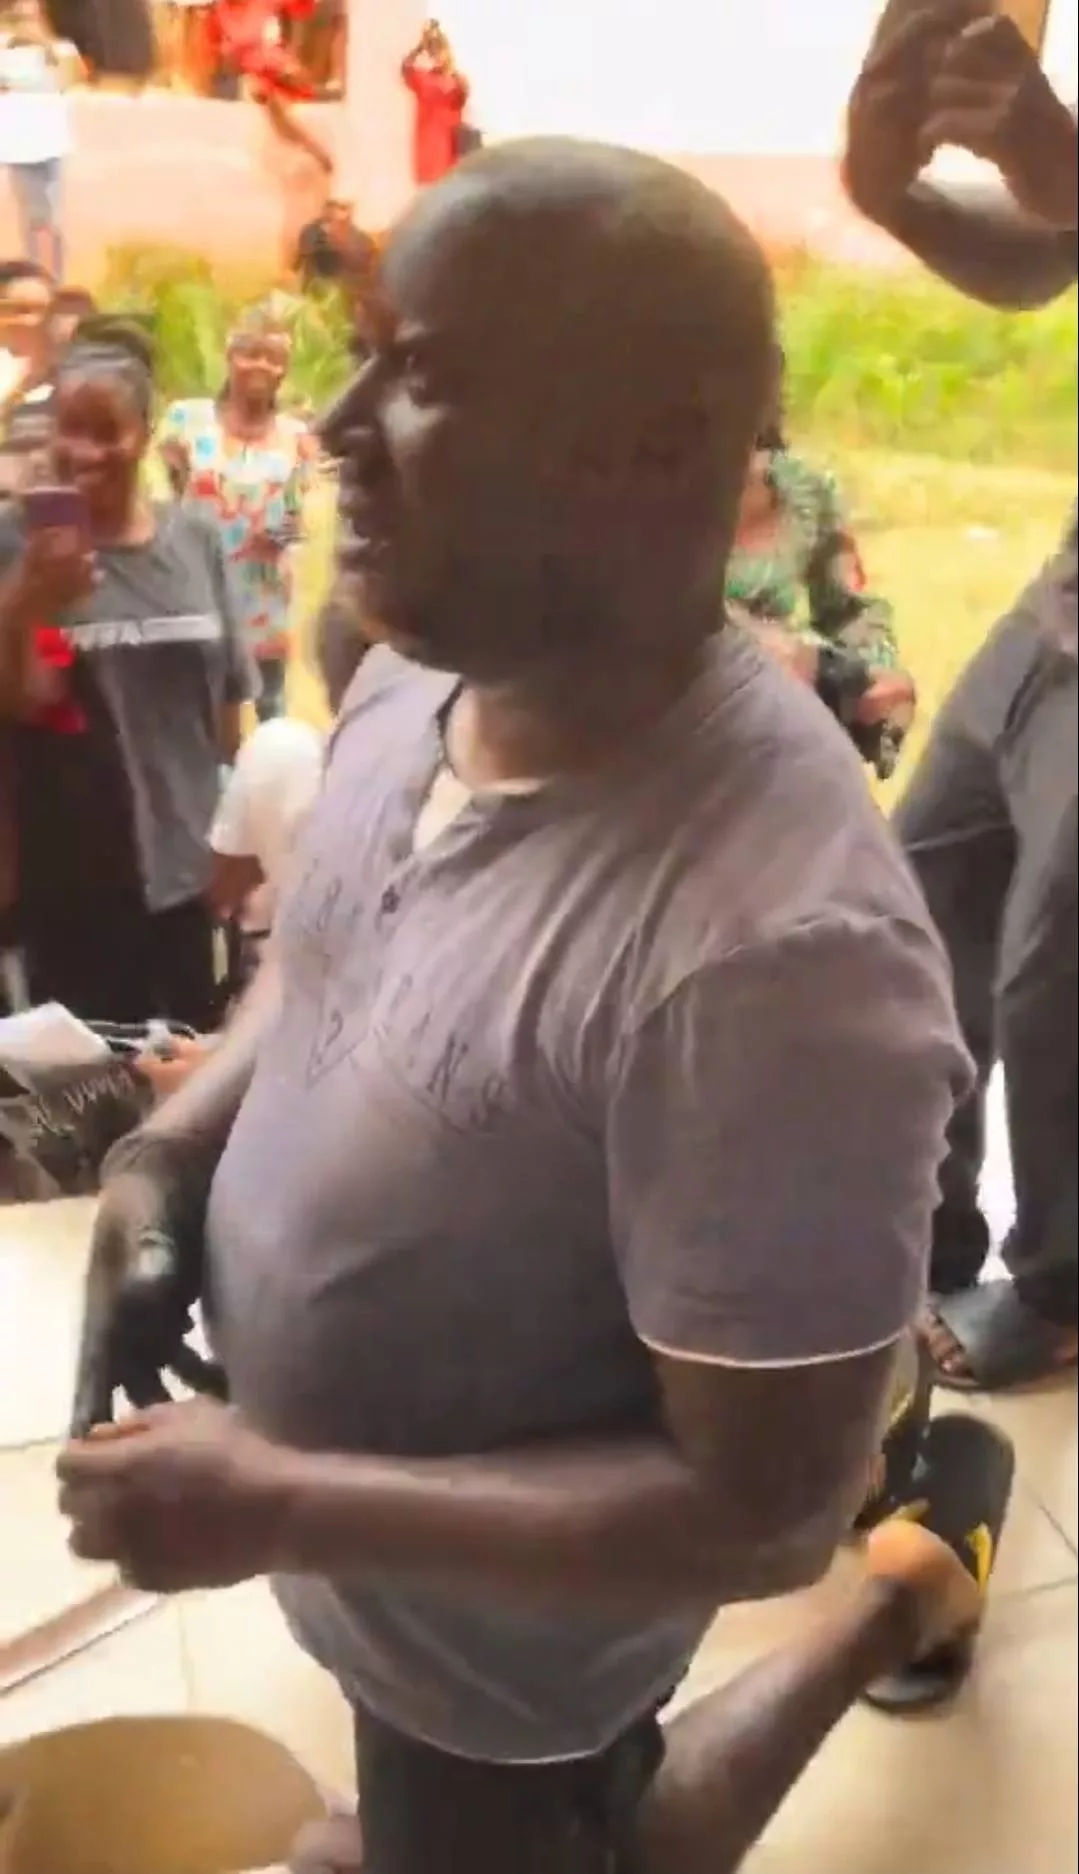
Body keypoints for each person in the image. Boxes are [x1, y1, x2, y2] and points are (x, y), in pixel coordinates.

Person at [59, 143, 1014, 1874]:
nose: (337, 424)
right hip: (371, 1562)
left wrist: (278, 1491)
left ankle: (900, 1587)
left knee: (578, 1833)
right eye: (361, 355)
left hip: (510, 1652)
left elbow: (759, 1507)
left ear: (657, 442)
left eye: (419, 375)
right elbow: (332, 953)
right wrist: (168, 1159)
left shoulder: (773, 954)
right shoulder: (420, 673)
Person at [845, 0, 1078, 1389]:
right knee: (917, 891)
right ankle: (922, 1230)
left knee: (1057, 955)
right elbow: (1045, 250)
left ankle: (1058, 1287)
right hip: (1058, 605)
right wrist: (898, 195)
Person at [0, 320, 254, 1026]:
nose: (85, 451)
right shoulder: (16, 544)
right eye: (69, 429)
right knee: (83, 1075)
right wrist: (28, 601)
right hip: (69, 887)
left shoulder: (196, 540)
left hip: (193, 877)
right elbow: (31, 701)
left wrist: (240, 837)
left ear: (144, 433)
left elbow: (228, 713)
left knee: (191, 1061)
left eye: (106, 430)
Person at [728, 381, 915, 778]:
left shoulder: (805, 492)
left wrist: (879, 676)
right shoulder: (625, 500)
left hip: (781, 747)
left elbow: (848, 609)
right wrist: (757, 644)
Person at [156, 310, 317, 720]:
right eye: (250, 353)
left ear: (285, 369)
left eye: (273, 358)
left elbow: (297, 515)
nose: (261, 365)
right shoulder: (187, 420)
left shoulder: (297, 437)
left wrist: (283, 532)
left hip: (264, 595)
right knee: (201, 705)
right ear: (229, 357)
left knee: (271, 706)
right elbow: (171, 495)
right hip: (199, 585)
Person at [0, 0, 81, 279]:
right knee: (36, 215)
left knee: (49, 217)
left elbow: (71, 78)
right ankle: (39, 273)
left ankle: (53, 275)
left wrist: (44, 45)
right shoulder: (5, 49)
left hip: (49, 143)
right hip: (22, 146)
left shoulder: (60, 49)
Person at [401, 17, 469, 187]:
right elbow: (405, 68)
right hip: (428, 159)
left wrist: (432, 40)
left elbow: (462, 94)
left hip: (448, 158)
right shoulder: (424, 80)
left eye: (440, 51)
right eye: (433, 53)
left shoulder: (457, 82)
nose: (437, 56)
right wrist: (420, 46)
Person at [294, 197, 377, 299]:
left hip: (339, 286)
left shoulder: (360, 237)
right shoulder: (312, 230)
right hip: (319, 280)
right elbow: (304, 252)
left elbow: (367, 259)